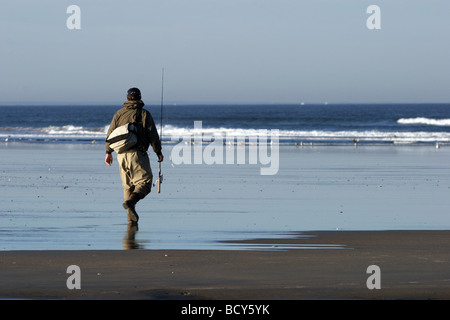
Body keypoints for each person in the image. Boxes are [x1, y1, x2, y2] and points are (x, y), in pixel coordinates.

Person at [105, 87, 163, 225]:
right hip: (137, 154)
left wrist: (108, 152)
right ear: (140, 97)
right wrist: (158, 152)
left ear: (127, 98)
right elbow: (152, 135)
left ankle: (130, 220)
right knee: (145, 183)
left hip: (121, 154)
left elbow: (110, 134)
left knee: (128, 186)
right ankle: (131, 203)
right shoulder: (144, 114)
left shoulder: (119, 113)